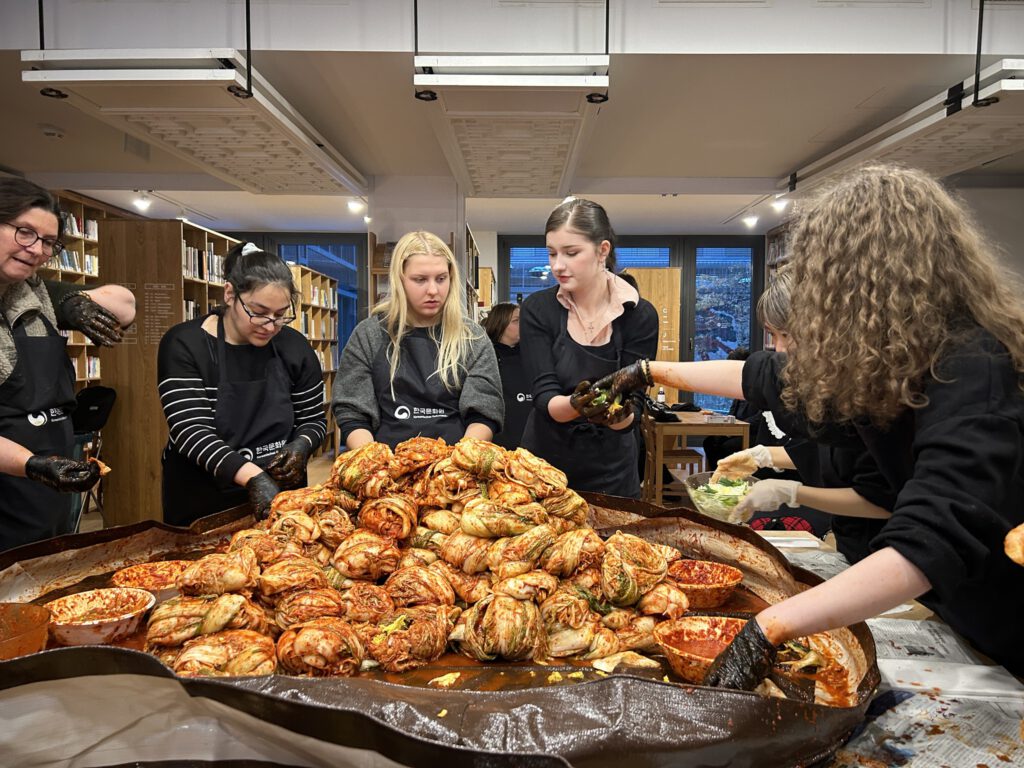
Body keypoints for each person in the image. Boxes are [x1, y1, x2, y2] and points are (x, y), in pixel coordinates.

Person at [585, 165, 1024, 680]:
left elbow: (934, 535)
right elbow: (767, 376)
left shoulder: (974, 366)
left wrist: (769, 627)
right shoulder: (895, 356)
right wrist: (647, 371)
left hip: (1009, 616)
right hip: (959, 612)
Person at [0, 177, 136, 551]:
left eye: (48, 242)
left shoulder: (33, 291)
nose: (37, 251)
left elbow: (126, 304)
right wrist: (33, 465)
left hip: (47, 491)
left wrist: (77, 305)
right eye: (25, 233)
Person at [158, 243, 327, 524]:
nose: (270, 326)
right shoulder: (186, 345)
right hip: (205, 497)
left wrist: (302, 445)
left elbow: (313, 420)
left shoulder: (294, 347)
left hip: (281, 494)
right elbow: (190, 431)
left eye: (281, 314)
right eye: (259, 312)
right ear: (230, 294)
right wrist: (253, 476)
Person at [519, 198, 658, 498]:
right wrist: (579, 404)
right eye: (552, 253)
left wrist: (616, 413)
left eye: (571, 253)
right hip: (544, 467)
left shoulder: (639, 316)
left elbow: (634, 404)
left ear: (602, 250)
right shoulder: (537, 310)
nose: (557, 265)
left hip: (612, 469)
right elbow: (544, 397)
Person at [332, 231, 502, 449]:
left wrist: (459, 462)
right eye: (420, 280)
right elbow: (353, 413)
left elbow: (484, 412)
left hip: (455, 467)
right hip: (386, 465)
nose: (433, 290)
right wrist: (375, 465)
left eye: (441, 279)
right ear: (399, 279)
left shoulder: (473, 337)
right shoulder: (369, 335)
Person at [481, 302, 531, 449]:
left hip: (531, 438)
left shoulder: (532, 354)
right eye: (516, 321)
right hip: (499, 441)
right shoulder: (485, 357)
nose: (523, 324)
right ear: (500, 325)